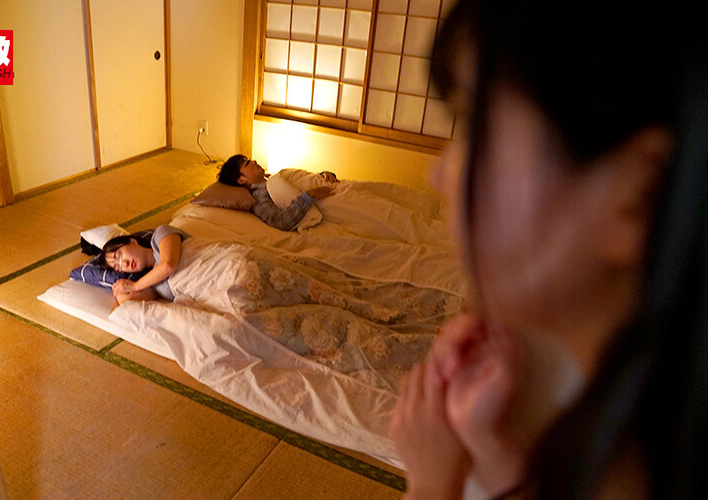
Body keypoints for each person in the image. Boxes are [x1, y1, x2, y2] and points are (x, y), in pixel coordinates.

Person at [389, 1, 707, 499]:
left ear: (638, 193)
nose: (438, 174)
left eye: (472, 123)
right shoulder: (623, 429)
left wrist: (431, 484)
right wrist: (489, 443)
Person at [216, 154, 337, 231]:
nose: (254, 161)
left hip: (333, 185)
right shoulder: (259, 197)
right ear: (241, 180)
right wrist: (308, 196)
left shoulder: (273, 178)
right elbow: (280, 221)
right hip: (330, 204)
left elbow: (300, 180)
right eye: (247, 163)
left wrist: (321, 176)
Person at [97, 224, 190, 304]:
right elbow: (127, 300)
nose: (125, 263)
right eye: (118, 267)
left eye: (119, 255)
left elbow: (168, 265)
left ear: (132, 242)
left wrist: (134, 286)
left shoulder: (161, 235)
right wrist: (119, 287)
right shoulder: (153, 283)